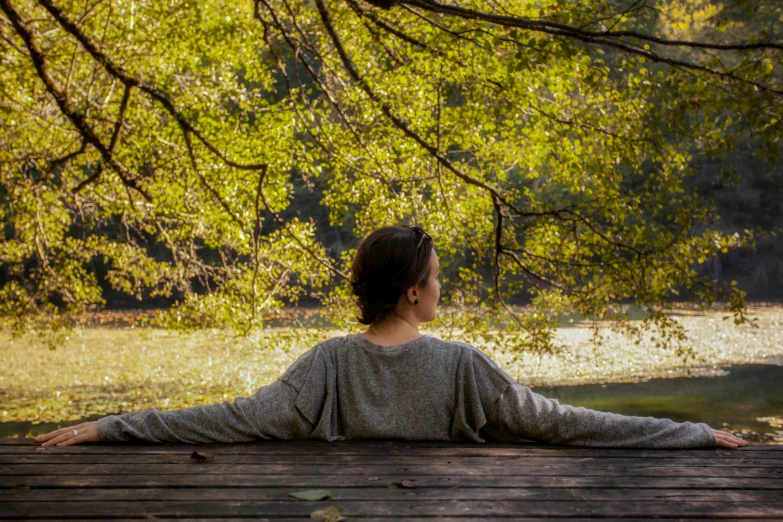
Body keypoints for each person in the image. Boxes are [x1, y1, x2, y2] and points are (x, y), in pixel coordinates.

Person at [34, 225, 748, 449]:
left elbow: (237, 419)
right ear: (411, 290)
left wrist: (110, 426)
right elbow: (561, 424)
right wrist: (688, 435)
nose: (444, 287)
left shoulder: (328, 362)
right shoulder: (463, 366)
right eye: (437, 277)